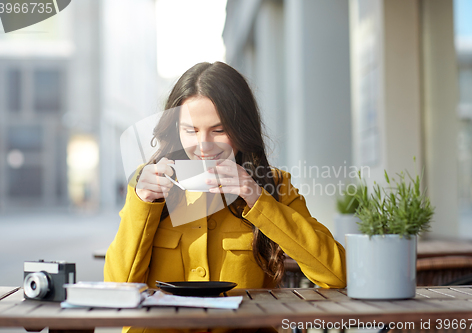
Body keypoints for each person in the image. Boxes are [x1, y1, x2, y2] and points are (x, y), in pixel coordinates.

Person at [104, 62, 346, 333]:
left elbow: (336, 275)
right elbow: (118, 290)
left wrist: (257, 198)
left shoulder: (273, 185)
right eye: (191, 130)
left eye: (218, 130)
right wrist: (143, 203)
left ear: (242, 131)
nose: (204, 145)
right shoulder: (149, 183)